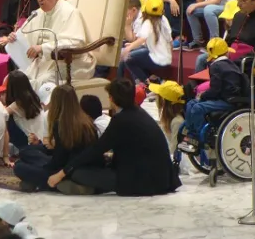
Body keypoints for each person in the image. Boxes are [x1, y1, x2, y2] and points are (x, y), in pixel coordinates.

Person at [47, 79, 181, 196]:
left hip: (141, 181)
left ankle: (91, 189)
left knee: (78, 173)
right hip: (161, 177)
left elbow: (95, 149)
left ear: (111, 98)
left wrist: (62, 173)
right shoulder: (139, 113)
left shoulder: (121, 120)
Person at [7, 0, 95, 91]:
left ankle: (38, 108)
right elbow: (25, 36)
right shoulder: (38, 14)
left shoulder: (70, 12)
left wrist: (43, 48)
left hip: (70, 63)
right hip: (44, 63)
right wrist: (14, 38)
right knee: (15, 78)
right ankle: (23, 107)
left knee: (43, 82)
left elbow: (76, 42)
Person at [13, 84, 102, 193]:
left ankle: (52, 184)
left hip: (65, 171)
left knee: (19, 166)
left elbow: (58, 162)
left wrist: (46, 166)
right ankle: (37, 181)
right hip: (84, 168)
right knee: (26, 152)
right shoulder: (87, 121)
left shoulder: (61, 124)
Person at [180, 38, 248, 152]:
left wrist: (202, 96)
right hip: (230, 99)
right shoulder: (230, 64)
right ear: (226, 52)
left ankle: (195, 137)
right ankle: (191, 133)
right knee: (192, 103)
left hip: (227, 101)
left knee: (196, 106)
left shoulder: (216, 66)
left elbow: (215, 90)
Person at [118, 0, 172, 84]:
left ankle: (143, 84)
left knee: (128, 57)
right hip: (162, 54)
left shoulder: (148, 21)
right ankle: (150, 79)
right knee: (129, 54)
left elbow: (141, 39)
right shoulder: (163, 19)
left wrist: (129, 48)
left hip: (157, 56)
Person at [4, 70, 46, 149]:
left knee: (6, 119)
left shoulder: (17, 104)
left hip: (31, 142)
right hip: (41, 138)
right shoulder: (34, 97)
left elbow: (0, 113)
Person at [149, 80, 185, 154]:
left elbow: (175, 150)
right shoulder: (168, 118)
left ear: (164, 100)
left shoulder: (177, 122)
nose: (156, 97)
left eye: (158, 95)